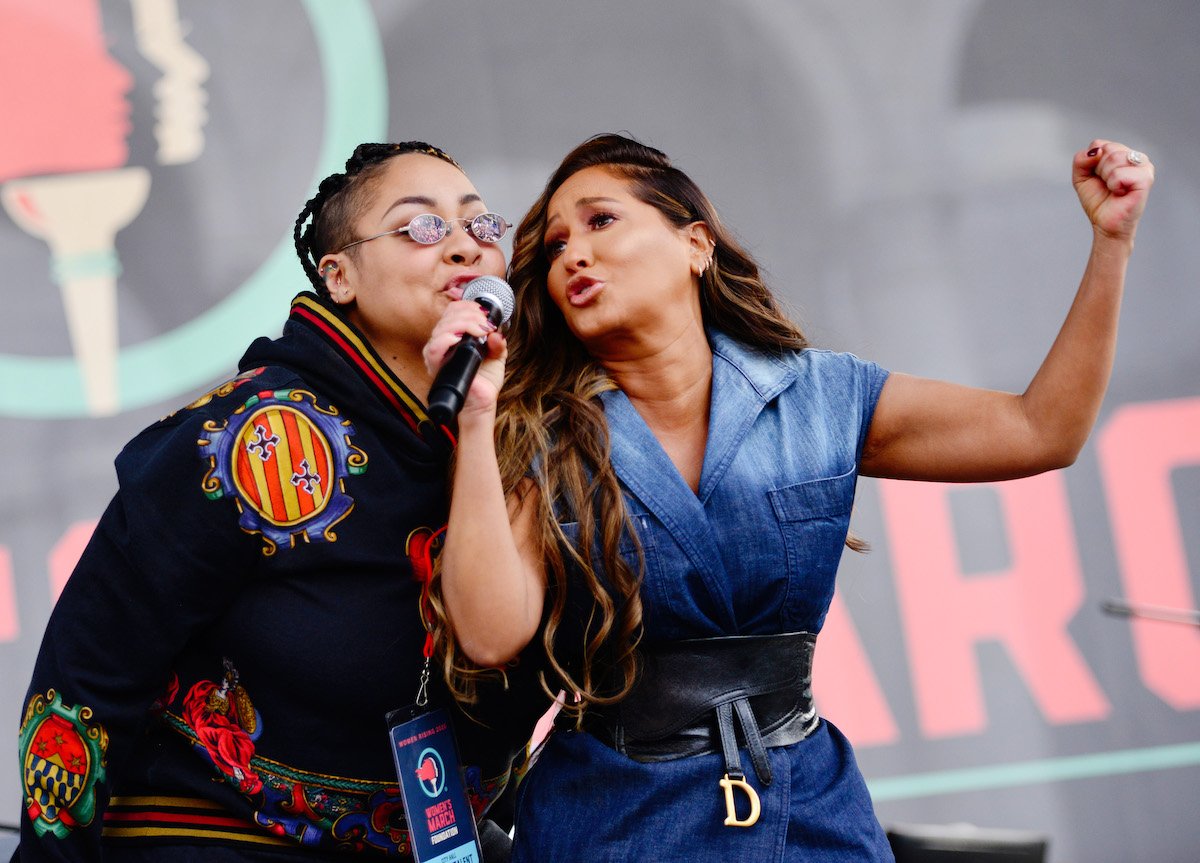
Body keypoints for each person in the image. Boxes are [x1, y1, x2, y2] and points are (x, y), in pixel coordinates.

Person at [423, 133, 1155, 861]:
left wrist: (1111, 244)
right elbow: (489, 636)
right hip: (617, 818)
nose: (573, 254)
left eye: (601, 221)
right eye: (553, 247)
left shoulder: (821, 395)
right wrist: (481, 416)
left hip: (808, 810)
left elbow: (1041, 429)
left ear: (696, 244)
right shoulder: (537, 433)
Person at [14, 141, 534, 861]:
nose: (461, 248)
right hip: (218, 835)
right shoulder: (250, 439)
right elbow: (88, 670)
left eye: (480, 226)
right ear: (339, 275)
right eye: (420, 227)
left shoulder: (517, 443)